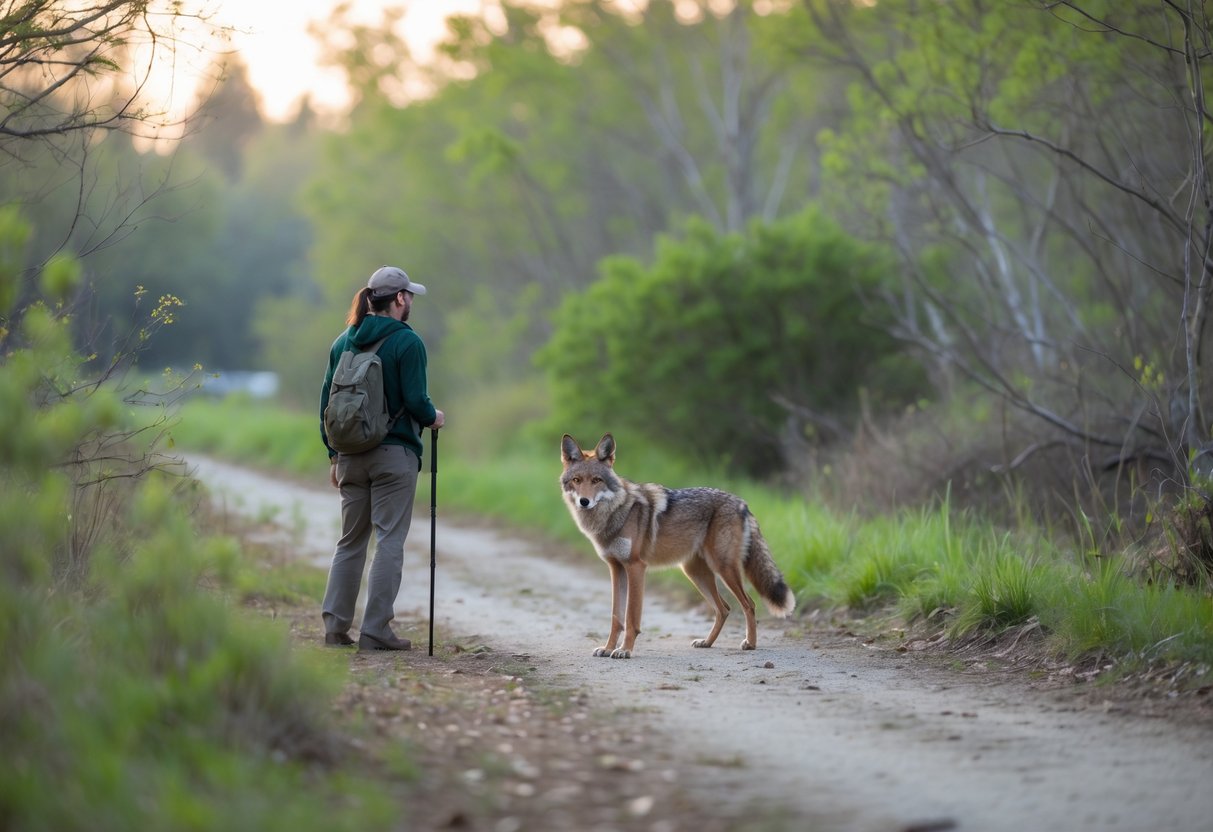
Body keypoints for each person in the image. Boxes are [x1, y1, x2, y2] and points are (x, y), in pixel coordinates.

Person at [319, 265, 445, 651]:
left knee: (350, 541)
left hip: (350, 455)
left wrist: (333, 456)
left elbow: (326, 403)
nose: (410, 303)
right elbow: (415, 400)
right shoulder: (408, 342)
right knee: (390, 539)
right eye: (409, 297)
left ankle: (335, 628)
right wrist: (434, 418)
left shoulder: (343, 341)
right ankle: (375, 630)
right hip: (395, 455)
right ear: (400, 299)